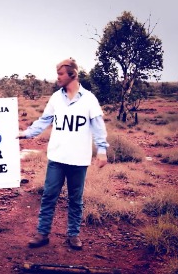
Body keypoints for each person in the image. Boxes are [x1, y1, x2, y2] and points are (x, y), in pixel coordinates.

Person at [17, 58, 108, 250]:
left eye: (60, 74)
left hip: (78, 160)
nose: (57, 78)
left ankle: (73, 235)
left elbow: (99, 127)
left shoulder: (89, 99)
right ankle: (42, 234)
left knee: (76, 199)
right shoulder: (56, 98)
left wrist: (102, 150)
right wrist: (26, 133)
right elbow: (44, 121)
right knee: (49, 196)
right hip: (57, 158)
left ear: (72, 75)